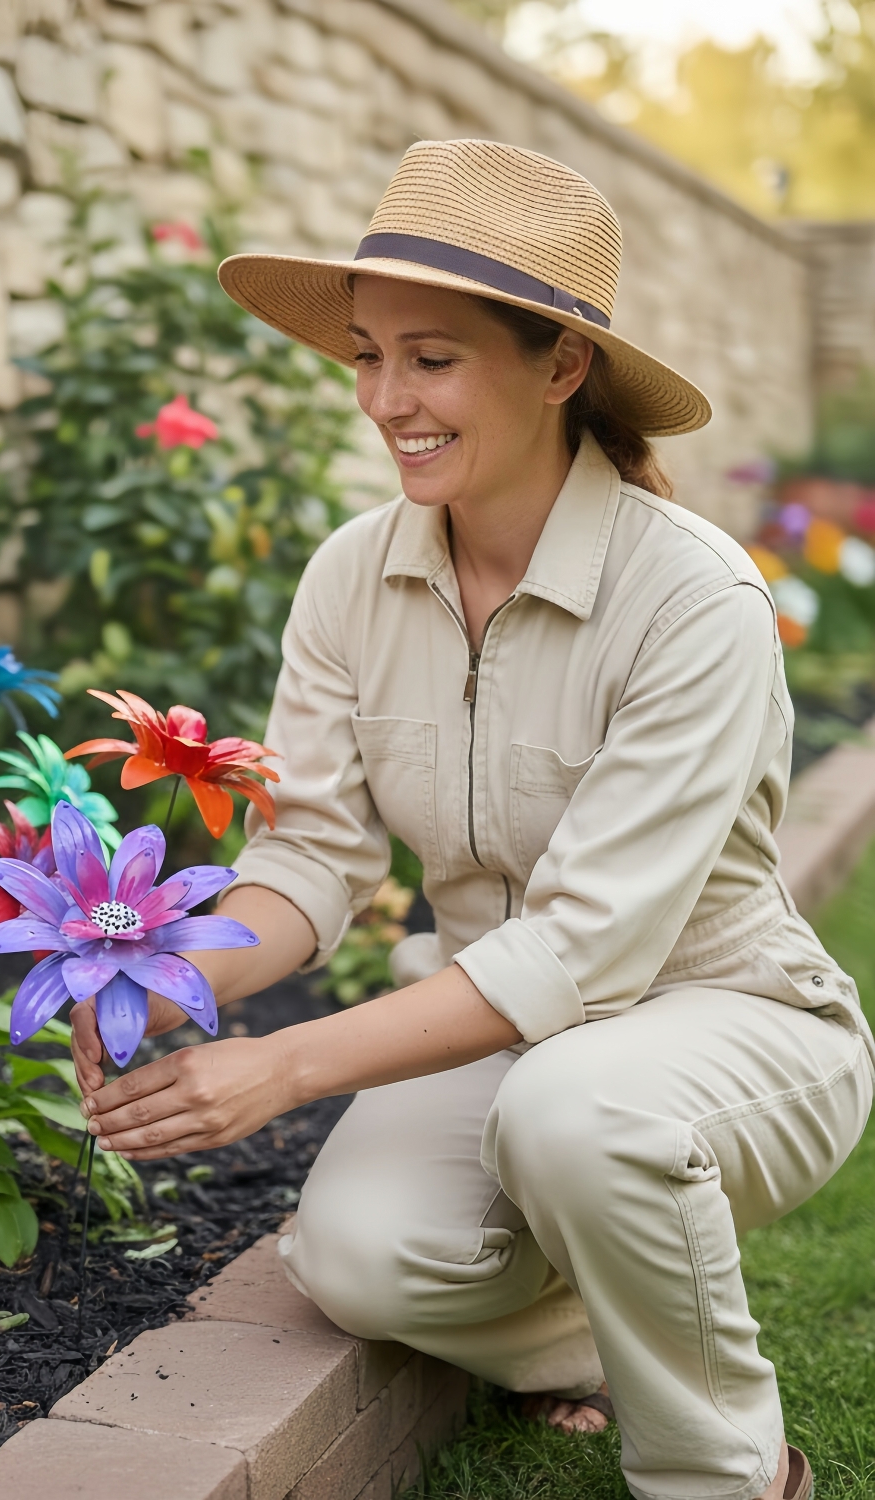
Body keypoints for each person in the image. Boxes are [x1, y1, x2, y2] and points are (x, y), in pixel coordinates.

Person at [68, 139, 874, 1500]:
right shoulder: (350, 578)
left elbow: (581, 954)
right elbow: (312, 853)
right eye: (368, 356)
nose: (388, 400)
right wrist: (167, 974)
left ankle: (729, 1475)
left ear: (562, 366)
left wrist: (284, 1067)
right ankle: (602, 1326)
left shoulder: (696, 601)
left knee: (579, 1113)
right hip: (493, 1033)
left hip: (731, 1026)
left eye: (432, 359)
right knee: (357, 1259)